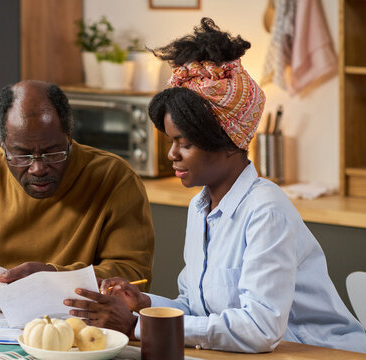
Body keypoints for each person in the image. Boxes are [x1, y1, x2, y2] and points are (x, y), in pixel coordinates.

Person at [64, 18, 366, 353]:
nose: (172, 154)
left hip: (318, 352)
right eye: (171, 141)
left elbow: (259, 328)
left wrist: (137, 325)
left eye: (185, 144)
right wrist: (142, 301)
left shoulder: (266, 210)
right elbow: (198, 308)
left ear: (227, 142)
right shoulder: (201, 207)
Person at [0, 80, 154, 292]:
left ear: (70, 135)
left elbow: (134, 275)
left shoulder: (115, 178)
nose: (38, 168)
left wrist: (54, 277)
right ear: (2, 144)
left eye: (53, 153)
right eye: (21, 155)